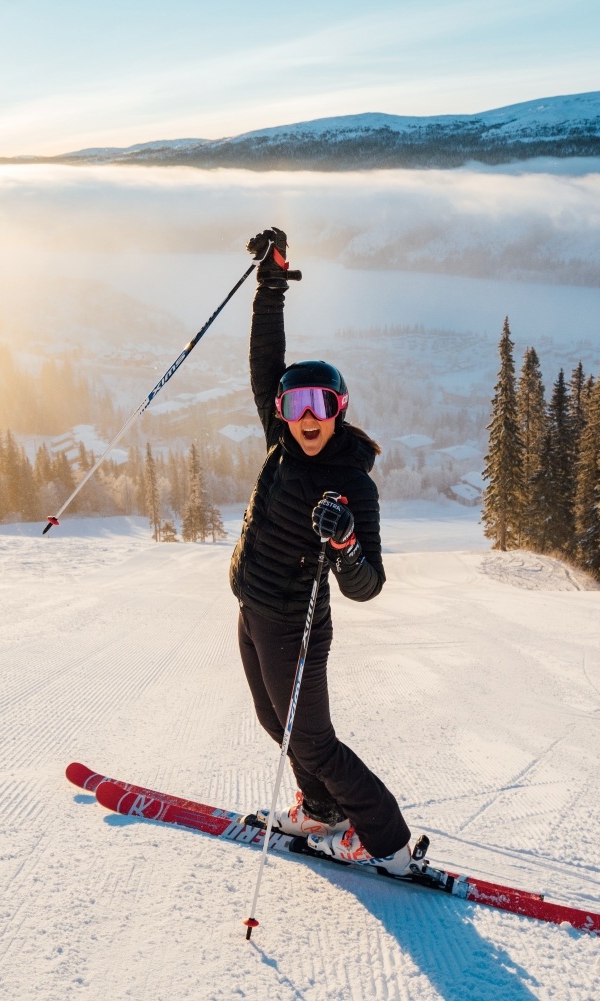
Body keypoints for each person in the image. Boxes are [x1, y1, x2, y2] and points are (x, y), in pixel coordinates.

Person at [230, 227, 427, 876]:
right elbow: (266, 358)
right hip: (253, 607)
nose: (307, 415)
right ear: (283, 410)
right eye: (296, 403)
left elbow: (367, 584)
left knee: (312, 739)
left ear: (339, 408)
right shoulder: (281, 438)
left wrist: (344, 542)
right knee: (274, 720)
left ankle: (387, 842)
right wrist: (271, 282)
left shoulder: (351, 484)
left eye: (321, 403)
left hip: (297, 623)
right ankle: (319, 809)